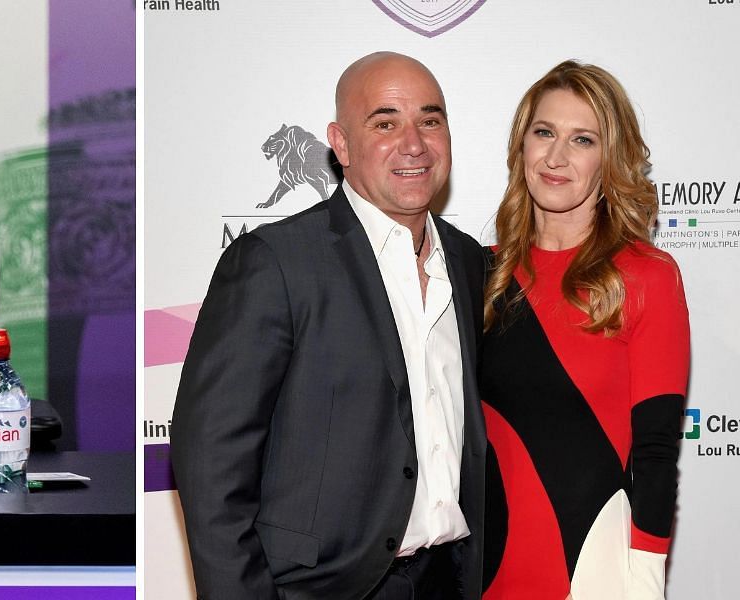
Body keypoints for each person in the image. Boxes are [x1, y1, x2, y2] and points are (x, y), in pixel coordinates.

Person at [171, 51, 487, 600]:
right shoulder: (275, 261)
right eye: (385, 123)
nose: (413, 143)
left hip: (450, 583)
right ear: (340, 145)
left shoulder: (469, 262)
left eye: (430, 120)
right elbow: (212, 463)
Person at [479, 60, 689, 600]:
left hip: (593, 575)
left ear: (609, 159)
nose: (555, 157)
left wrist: (642, 583)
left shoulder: (645, 276)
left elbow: (657, 452)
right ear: (521, 146)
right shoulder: (477, 272)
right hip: (481, 572)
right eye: (544, 133)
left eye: (582, 140)